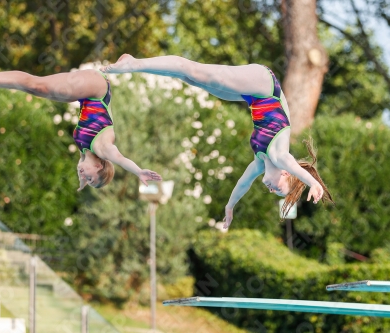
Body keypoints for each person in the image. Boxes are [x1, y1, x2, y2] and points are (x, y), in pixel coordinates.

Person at [102, 54, 334, 228]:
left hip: (252, 97)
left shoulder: (261, 163)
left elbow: (243, 184)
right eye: (280, 189)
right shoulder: (279, 155)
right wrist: (312, 183)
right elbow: (292, 164)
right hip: (265, 87)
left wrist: (230, 206)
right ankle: (133, 64)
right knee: (197, 72)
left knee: (193, 79)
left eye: (275, 193)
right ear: (285, 174)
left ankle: (138, 66)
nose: (272, 191)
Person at [0, 69, 162, 191]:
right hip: (97, 88)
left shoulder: (85, 150)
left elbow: (83, 167)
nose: (83, 177)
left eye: (86, 181)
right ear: (99, 167)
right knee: (37, 86)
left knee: (34, 87)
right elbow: (120, 158)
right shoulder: (103, 148)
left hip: (89, 92)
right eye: (90, 178)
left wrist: (81, 183)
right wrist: (138, 171)